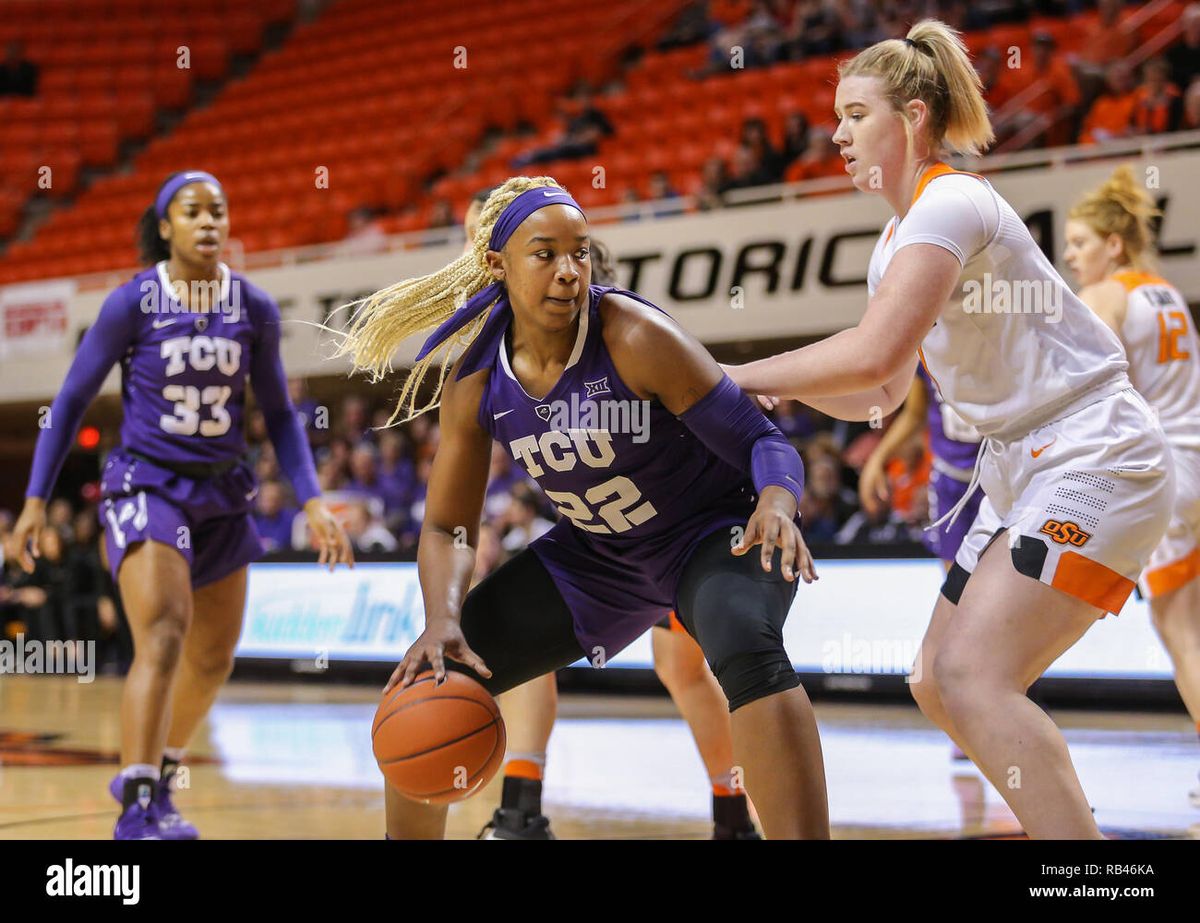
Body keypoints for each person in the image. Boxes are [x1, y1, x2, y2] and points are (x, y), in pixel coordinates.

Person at [723, 21, 1174, 839]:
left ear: (915, 117)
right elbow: (879, 392)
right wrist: (761, 403)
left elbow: (872, 351)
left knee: (974, 674)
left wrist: (733, 377)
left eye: (856, 113)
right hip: (1021, 466)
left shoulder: (954, 199)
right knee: (935, 676)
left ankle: (1089, 867)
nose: (837, 133)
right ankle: (1071, 830)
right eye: (836, 115)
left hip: (1093, 448)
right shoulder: (894, 242)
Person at [336, 175, 828, 840]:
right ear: (497, 265)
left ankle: (746, 818)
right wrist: (440, 617)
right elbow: (448, 525)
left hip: (709, 534)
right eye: (546, 254)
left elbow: (766, 441)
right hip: (601, 555)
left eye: (581, 252)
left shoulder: (635, 335)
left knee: (744, 643)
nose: (570, 271)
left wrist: (776, 499)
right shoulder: (476, 381)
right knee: (439, 671)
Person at [5, 171, 354, 840]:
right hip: (147, 484)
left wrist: (313, 500)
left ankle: (158, 777)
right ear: (165, 226)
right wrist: (32, 502)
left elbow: (280, 414)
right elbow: (72, 399)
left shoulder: (253, 307)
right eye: (192, 211)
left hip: (223, 491)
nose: (208, 221)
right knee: (164, 630)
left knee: (213, 657)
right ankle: (135, 804)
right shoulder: (133, 302)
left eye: (218, 210)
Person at [469, 221, 764, 839]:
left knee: (690, 670)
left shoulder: (629, 338)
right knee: (653, 667)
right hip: (610, 535)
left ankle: (739, 815)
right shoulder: (500, 362)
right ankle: (523, 807)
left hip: (686, 524)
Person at [1064, 164, 1200, 806]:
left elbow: (1089, 395)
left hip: (1167, 474)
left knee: (1182, 635)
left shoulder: (1108, 296)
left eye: (1079, 243)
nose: (1069, 255)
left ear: (1113, 244)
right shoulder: (1166, 291)